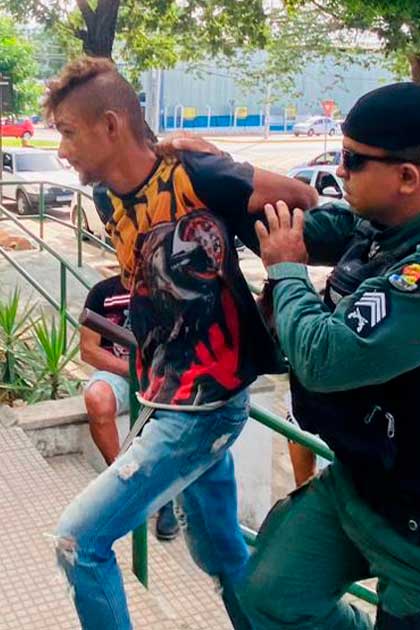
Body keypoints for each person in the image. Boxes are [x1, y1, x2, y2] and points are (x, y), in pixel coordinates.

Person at [235, 82, 420, 629]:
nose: (339, 171)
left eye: (351, 159)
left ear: (407, 177)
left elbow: (323, 357)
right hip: (364, 487)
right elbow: (288, 227)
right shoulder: (388, 228)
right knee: (268, 595)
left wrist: (287, 272)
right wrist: (218, 174)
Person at [46, 56, 315, 629]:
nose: (61, 149)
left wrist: (223, 160)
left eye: (68, 132)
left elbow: (300, 197)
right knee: (221, 555)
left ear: (111, 125)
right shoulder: (106, 200)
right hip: (162, 398)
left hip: (204, 409)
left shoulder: (198, 176)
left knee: (79, 542)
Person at [79, 274, 178, 541]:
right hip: (121, 373)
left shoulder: (165, 288)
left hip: (159, 375)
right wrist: (133, 370)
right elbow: (88, 350)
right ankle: (124, 481)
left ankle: (164, 497)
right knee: (97, 398)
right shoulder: (102, 292)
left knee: (175, 414)